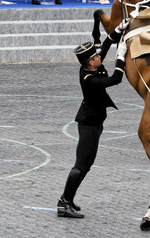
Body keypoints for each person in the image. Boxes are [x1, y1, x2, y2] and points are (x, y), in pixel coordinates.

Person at [57, 38, 127, 218]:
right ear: (90, 61)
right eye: (96, 56)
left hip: (95, 124)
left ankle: (69, 199)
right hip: (89, 125)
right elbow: (116, 79)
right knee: (81, 165)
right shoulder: (89, 80)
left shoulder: (91, 66)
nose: (99, 56)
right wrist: (121, 56)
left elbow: (105, 45)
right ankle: (64, 203)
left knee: (87, 164)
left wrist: (118, 30)